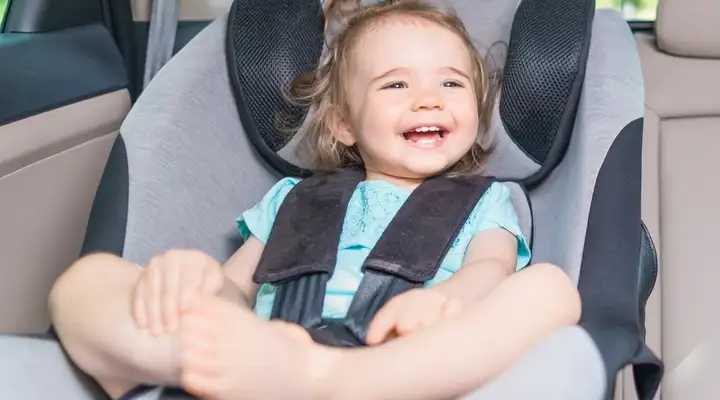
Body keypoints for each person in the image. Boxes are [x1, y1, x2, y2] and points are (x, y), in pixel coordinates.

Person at [48, 1, 581, 399]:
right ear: (343, 122)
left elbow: (492, 271)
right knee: (83, 283)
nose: (428, 98)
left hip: (402, 368)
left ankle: (332, 379)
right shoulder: (294, 199)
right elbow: (237, 289)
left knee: (551, 290)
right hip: (264, 358)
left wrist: (450, 303)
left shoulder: (486, 204)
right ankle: (186, 361)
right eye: (396, 86)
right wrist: (197, 285)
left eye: (451, 83)